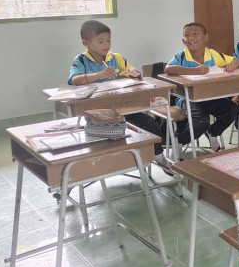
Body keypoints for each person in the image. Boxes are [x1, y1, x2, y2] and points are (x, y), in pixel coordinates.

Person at [69, 19, 170, 170]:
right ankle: (119, 163)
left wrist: (132, 74)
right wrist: (99, 75)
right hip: (96, 114)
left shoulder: (116, 58)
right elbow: (74, 80)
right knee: (116, 134)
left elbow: (136, 74)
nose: (106, 45)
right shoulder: (81, 60)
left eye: (109, 40)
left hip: (122, 108)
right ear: (86, 43)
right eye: (101, 41)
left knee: (149, 123)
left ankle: (158, 156)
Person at [165, 22, 239, 151]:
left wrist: (233, 65)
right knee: (201, 122)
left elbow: (236, 60)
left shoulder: (213, 55)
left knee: (233, 110)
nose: (191, 37)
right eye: (187, 35)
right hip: (189, 99)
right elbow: (168, 69)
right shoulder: (182, 55)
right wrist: (195, 71)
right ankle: (179, 141)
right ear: (183, 40)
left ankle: (212, 132)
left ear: (206, 37)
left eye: (195, 34)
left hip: (211, 97)